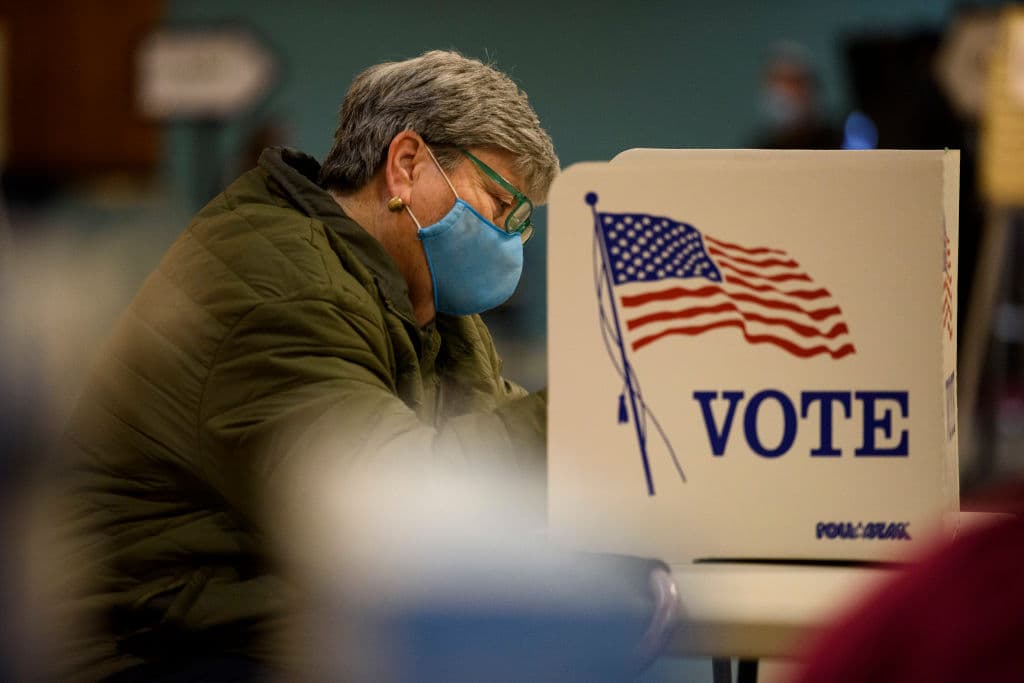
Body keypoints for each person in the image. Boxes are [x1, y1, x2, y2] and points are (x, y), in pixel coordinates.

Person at [55, 50, 559, 681]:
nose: (510, 240)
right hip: (150, 651)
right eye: (500, 204)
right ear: (406, 166)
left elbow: (494, 469)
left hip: (260, 623)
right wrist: (587, 416)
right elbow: (394, 517)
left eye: (520, 224)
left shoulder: (433, 308)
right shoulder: (277, 284)